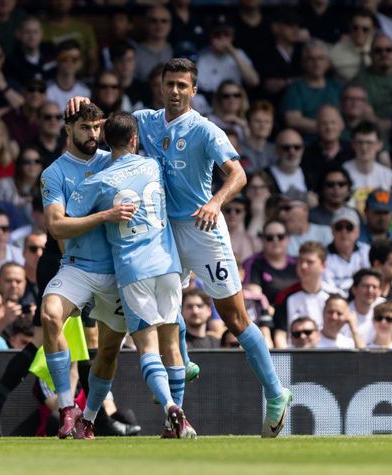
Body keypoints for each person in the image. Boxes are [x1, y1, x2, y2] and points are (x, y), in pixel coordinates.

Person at [70, 58, 291, 438]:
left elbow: (238, 174)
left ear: (194, 90)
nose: (174, 91)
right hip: (163, 232)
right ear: (160, 86)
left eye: (182, 85)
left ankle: (274, 393)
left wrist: (216, 202)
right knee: (169, 316)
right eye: (169, 83)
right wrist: (81, 102)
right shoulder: (146, 120)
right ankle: (176, 419)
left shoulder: (206, 130)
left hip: (203, 229)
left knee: (234, 317)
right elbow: (108, 129)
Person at [0, 103, 126, 438]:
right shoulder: (55, 172)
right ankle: (91, 415)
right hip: (61, 260)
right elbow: (58, 230)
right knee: (72, 334)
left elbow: (135, 128)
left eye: (97, 127)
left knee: (57, 339)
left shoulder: (112, 160)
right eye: (85, 128)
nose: (94, 135)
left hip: (95, 261)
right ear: (68, 129)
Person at [65, 111, 197, 438]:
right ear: (135, 140)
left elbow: (68, 219)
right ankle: (172, 420)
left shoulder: (99, 180)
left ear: (107, 143)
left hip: (131, 272)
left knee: (146, 348)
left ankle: (171, 408)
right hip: (168, 265)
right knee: (171, 347)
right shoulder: (154, 165)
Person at [274, 241, 341, 347]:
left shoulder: (336, 296)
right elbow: (280, 335)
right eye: (300, 261)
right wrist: (287, 361)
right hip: (297, 356)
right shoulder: (285, 296)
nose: (303, 266)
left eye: (310, 262)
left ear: (323, 265)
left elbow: (344, 332)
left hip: (330, 354)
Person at [281, 40, 341, 139]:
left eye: (320, 58)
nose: (316, 63)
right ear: (304, 63)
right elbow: (292, 120)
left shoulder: (337, 87)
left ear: (327, 62)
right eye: (311, 59)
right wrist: (327, 129)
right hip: (308, 145)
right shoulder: (296, 88)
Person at [355, 34, 392, 134]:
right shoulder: (361, 80)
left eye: (388, 50)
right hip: (375, 131)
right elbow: (366, 114)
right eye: (378, 51)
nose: (384, 54)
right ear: (370, 55)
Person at [196, 15, 259, 95]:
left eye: (226, 34)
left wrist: (233, 52)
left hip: (234, 98)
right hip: (210, 99)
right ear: (211, 36)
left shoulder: (239, 54)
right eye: (217, 34)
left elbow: (254, 82)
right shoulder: (202, 56)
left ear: (232, 37)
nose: (222, 38)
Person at [342, 121, 392, 210]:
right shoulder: (343, 172)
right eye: (360, 142)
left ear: (379, 145)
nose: (364, 147)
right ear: (353, 145)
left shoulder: (389, 176)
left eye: (369, 142)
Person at [243, 219, 298, 304]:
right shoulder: (253, 262)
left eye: (280, 236)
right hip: (265, 314)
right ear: (262, 240)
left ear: (288, 239)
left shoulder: (298, 263)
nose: (275, 240)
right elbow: (253, 295)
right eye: (269, 237)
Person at [302, 106, 352, 188]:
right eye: (324, 123)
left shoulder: (353, 151)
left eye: (333, 123)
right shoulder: (306, 154)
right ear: (317, 127)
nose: (329, 127)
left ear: (342, 125)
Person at [324, 208, 370, 292]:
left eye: (349, 227)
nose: (344, 232)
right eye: (339, 227)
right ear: (332, 230)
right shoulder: (323, 256)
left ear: (358, 231)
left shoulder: (367, 251)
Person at [276, 189, 331, 257]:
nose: (281, 214)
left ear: (304, 209)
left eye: (287, 208)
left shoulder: (326, 233)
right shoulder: (276, 238)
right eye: (279, 209)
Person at [4, 16, 56, 85]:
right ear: (18, 34)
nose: (32, 37)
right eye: (27, 32)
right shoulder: (11, 62)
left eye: (35, 32)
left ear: (41, 34)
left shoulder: (51, 50)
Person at [328, 8, 376, 82]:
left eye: (365, 29)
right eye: (355, 28)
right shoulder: (336, 51)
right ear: (349, 27)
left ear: (372, 30)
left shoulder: (379, 48)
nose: (359, 32)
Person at [46, 40, 90, 113]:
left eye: (74, 59)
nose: (69, 62)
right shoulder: (46, 91)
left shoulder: (86, 92)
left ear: (80, 63)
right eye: (64, 58)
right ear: (57, 60)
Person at [2, 79, 46, 150]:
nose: (36, 94)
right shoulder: (9, 118)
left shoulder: (49, 118)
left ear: (45, 95)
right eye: (31, 89)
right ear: (23, 92)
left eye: (41, 90)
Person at [133, 6, 173, 82]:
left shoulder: (176, 51)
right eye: (153, 21)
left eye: (164, 21)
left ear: (170, 25)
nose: (159, 25)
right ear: (146, 24)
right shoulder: (135, 53)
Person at [239, 101, 276, 172]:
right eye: (257, 121)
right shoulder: (237, 150)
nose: (262, 125)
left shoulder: (276, 151)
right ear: (248, 123)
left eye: (267, 122)